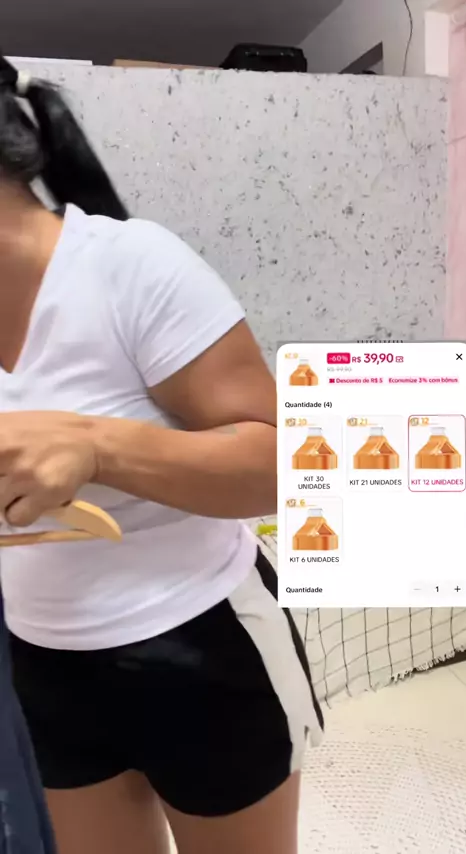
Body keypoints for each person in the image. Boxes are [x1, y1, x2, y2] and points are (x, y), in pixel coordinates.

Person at [0, 56, 323, 854]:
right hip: (43, 657)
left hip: (201, 643)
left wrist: (94, 447)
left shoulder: (128, 266)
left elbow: (285, 465)